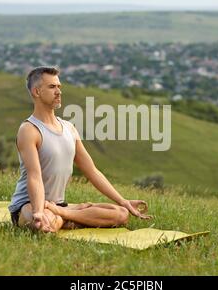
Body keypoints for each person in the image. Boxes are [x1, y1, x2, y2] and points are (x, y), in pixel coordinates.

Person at [8, 66, 152, 233]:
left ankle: (62, 215)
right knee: (42, 223)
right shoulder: (29, 130)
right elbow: (34, 176)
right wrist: (39, 211)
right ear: (36, 92)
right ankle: (63, 218)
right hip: (29, 204)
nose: (58, 92)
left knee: (121, 214)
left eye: (59, 87)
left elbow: (92, 171)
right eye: (52, 87)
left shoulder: (69, 128)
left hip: (59, 205)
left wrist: (123, 201)